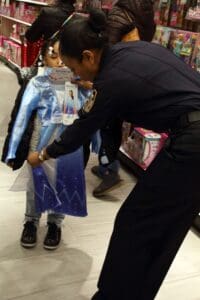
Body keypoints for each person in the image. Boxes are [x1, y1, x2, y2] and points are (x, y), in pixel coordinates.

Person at [27, 10, 200, 299]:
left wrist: (43, 154)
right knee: (167, 227)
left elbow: (80, 129)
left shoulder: (111, 81)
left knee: (135, 223)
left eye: (72, 68)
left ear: (88, 57)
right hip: (191, 138)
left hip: (192, 143)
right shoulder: (132, 50)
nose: (73, 75)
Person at [5, 37, 87, 250]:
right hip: (39, 143)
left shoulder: (75, 82)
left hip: (66, 144)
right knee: (35, 183)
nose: (60, 62)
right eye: (54, 56)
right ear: (43, 58)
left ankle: (55, 223)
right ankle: (31, 220)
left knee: (63, 182)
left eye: (64, 56)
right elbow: (22, 115)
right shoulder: (37, 83)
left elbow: (81, 117)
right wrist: (12, 150)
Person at [76, 0, 156, 197]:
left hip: (117, 75)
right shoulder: (145, 14)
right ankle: (107, 166)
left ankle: (110, 170)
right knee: (114, 122)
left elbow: (109, 50)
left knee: (106, 124)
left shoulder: (119, 13)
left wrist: (95, 79)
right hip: (135, 72)